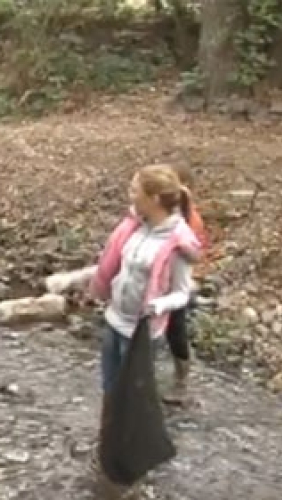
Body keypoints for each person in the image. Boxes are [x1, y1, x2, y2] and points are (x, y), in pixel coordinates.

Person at [89, 164, 201, 480]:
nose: (130, 195)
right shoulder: (135, 226)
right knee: (111, 389)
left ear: (153, 198)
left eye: (135, 190)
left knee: (135, 399)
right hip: (114, 321)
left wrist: (158, 305)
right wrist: (96, 287)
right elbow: (116, 267)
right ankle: (109, 447)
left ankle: (135, 461)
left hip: (142, 334)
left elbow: (182, 293)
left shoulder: (178, 243)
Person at [162, 164, 209, 405]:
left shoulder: (188, 219)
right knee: (170, 331)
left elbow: (194, 252)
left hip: (176, 285)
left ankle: (181, 382)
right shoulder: (166, 214)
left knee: (175, 331)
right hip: (164, 284)